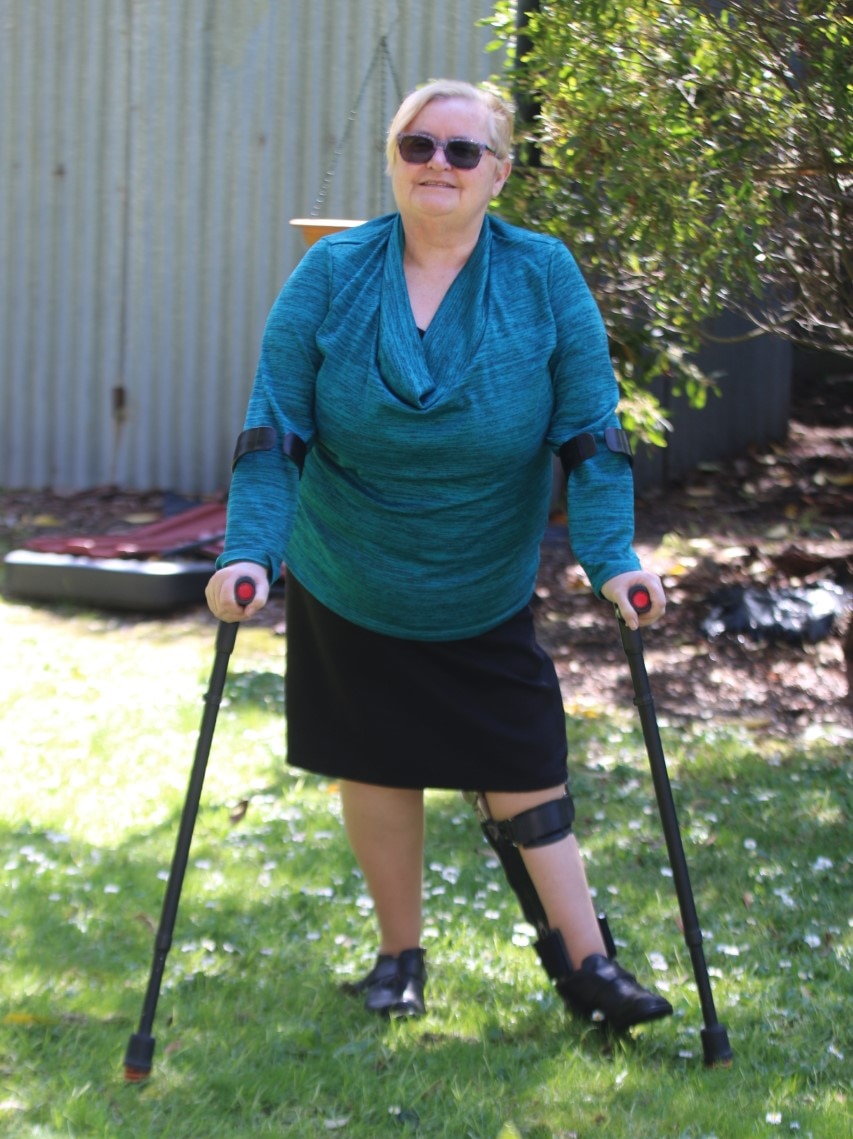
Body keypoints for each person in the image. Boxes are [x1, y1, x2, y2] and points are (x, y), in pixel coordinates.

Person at [206, 79, 673, 1034]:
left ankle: (587, 964)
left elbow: (590, 434)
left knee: (524, 756)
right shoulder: (333, 273)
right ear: (393, 158)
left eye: (464, 152)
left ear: (497, 172)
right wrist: (249, 552)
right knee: (375, 759)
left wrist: (612, 556)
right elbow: (275, 429)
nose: (438, 166)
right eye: (419, 146)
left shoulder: (542, 275)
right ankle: (398, 956)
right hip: (349, 565)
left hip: (478, 574)